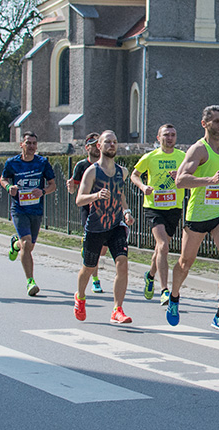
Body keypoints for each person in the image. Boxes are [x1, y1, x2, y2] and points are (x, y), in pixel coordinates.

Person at [166, 105, 219, 334]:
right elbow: (180, 181)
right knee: (186, 263)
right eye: (216, 121)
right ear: (204, 123)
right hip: (198, 215)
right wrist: (210, 180)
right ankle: (174, 296)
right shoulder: (198, 149)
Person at [73, 130, 135, 324]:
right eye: (108, 142)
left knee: (122, 263)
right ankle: (80, 297)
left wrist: (127, 211)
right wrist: (96, 196)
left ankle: (117, 309)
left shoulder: (121, 172)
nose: (112, 145)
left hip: (116, 225)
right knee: (88, 268)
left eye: (115, 142)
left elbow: (121, 195)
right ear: (98, 146)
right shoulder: (91, 172)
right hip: (96, 227)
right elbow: (79, 199)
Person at [130, 124, 186, 305]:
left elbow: (191, 176)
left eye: (173, 135)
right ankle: (164, 290)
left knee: (161, 247)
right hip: (154, 206)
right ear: (158, 137)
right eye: (166, 135)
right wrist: (143, 187)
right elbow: (135, 175)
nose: (169, 138)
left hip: (174, 207)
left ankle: (150, 275)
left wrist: (180, 176)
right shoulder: (150, 157)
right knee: (162, 245)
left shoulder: (182, 157)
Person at [0, 131, 56, 296]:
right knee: (27, 244)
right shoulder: (12, 163)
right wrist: (9, 188)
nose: (31, 146)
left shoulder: (42, 163)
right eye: (28, 143)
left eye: (34, 143)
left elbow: (53, 185)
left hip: (36, 210)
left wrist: (43, 191)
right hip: (19, 209)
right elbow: (3, 179)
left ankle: (15, 244)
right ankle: (30, 281)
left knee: (28, 246)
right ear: (21, 145)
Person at [67, 132, 106, 293]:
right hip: (88, 209)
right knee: (95, 245)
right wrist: (70, 187)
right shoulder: (81, 166)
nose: (96, 147)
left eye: (99, 143)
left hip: (106, 208)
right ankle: (95, 279)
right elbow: (73, 189)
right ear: (87, 147)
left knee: (103, 248)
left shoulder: (107, 164)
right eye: (93, 144)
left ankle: (87, 253)